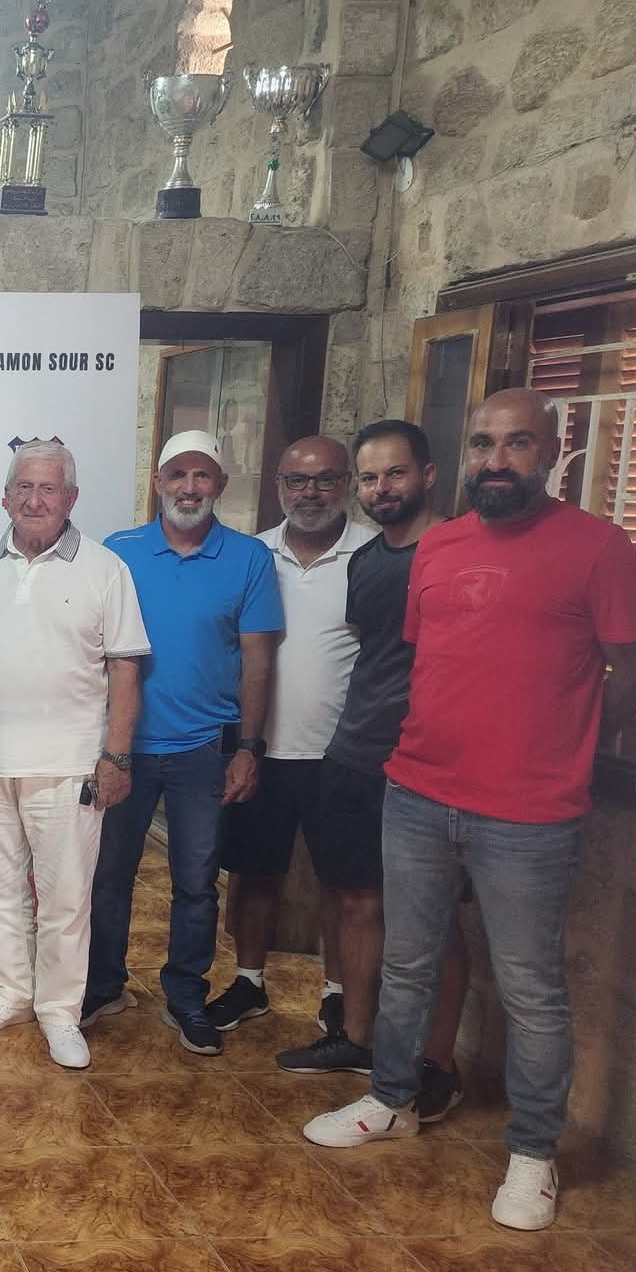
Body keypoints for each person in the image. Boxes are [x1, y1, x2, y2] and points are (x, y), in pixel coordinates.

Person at [305, 389, 636, 1232]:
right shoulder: (440, 546)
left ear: (552, 450)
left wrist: (564, 740)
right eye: (483, 444)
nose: (496, 460)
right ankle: (391, 1098)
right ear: (464, 456)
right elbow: (434, 659)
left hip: (530, 812)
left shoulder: (599, 548)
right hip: (417, 790)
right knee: (407, 962)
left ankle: (533, 1155)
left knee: (531, 988)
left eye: (517, 443)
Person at [279, 421, 470, 1110]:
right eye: (369, 477)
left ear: (428, 474)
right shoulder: (366, 561)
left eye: (395, 473)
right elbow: (376, 653)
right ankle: (355, 1038)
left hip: (429, 766)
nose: (381, 488)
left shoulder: (461, 551)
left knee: (434, 918)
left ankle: (438, 1062)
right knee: (354, 901)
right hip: (356, 755)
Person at [86, 429, 283, 1056]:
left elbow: (258, 660)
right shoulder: (118, 552)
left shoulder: (249, 558)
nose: (189, 488)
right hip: (125, 747)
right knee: (108, 875)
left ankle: (186, 996)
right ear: (157, 483)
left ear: (219, 484)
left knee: (196, 882)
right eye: (178, 475)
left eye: (202, 476)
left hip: (204, 749)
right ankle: (103, 984)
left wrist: (249, 746)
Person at [0, 442, 150, 1069]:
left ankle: (61, 1011)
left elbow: (125, 667)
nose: (34, 500)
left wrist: (116, 756)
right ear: (5, 496)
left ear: (71, 498)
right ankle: (9, 992)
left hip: (72, 766)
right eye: (24, 487)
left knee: (65, 898)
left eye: (49, 488)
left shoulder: (105, 569)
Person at [205, 437, 375, 1036]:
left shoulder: (372, 554)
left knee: (341, 882)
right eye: (296, 481)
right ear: (278, 486)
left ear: (346, 485)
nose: (310, 493)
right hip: (260, 749)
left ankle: (337, 993)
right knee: (252, 874)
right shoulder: (254, 555)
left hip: (342, 754)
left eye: (325, 480)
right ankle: (248, 982)